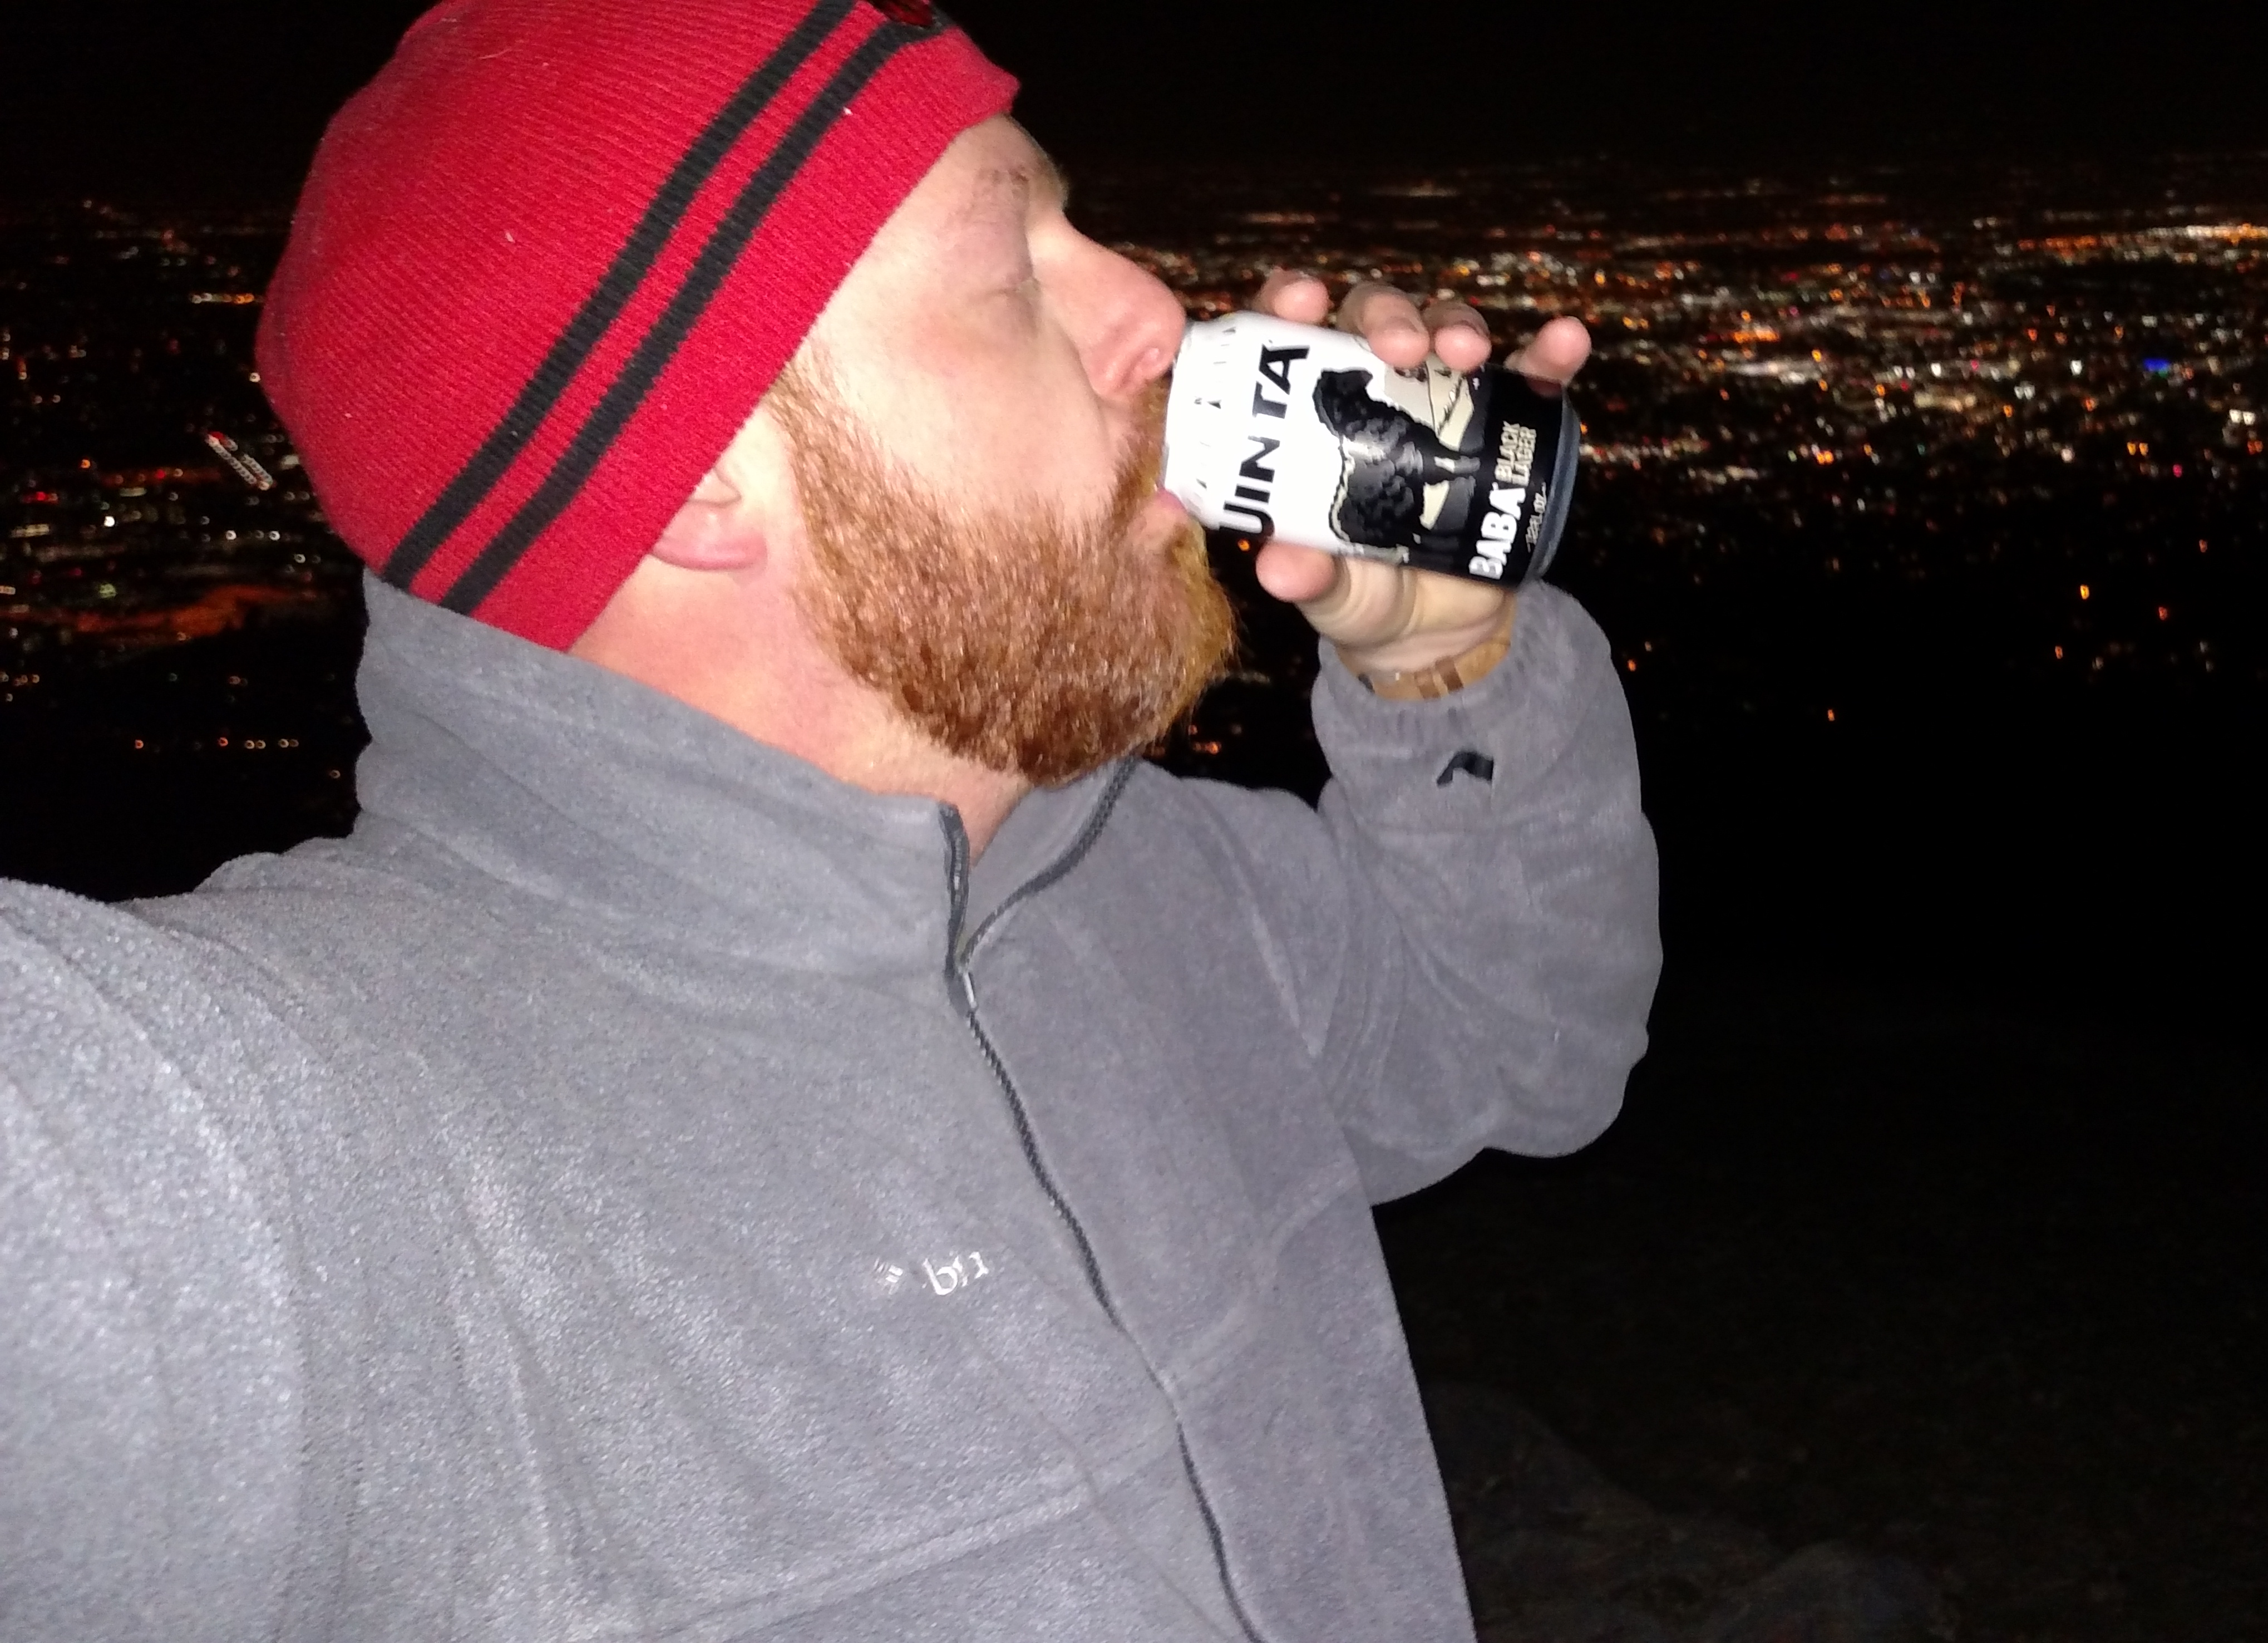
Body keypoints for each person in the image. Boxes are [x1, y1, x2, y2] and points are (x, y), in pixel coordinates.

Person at [0, 2, 1660, 1637]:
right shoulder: (304, 1140)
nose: (1155, 304)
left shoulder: (1128, 881)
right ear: (699, 474)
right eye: (1013, 271)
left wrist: (1448, 668)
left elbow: (1520, 1046)